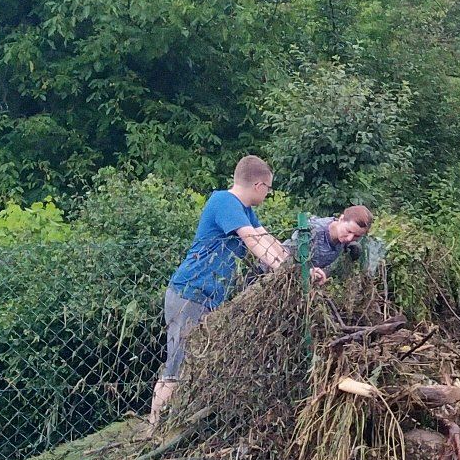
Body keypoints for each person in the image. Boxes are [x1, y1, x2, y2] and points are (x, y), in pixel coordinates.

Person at [150, 155, 290, 428]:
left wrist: (292, 265)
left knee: (198, 361)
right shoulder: (225, 202)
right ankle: (153, 429)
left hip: (210, 296)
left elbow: (265, 239)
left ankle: (179, 421)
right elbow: (251, 241)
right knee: (176, 367)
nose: (267, 194)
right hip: (190, 294)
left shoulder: (244, 209)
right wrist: (280, 269)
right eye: (269, 189)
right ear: (260, 185)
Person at [305, 204, 374, 284]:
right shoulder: (312, 232)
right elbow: (287, 257)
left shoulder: (347, 237)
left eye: (356, 236)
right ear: (341, 219)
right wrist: (307, 272)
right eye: (348, 231)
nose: (349, 238)